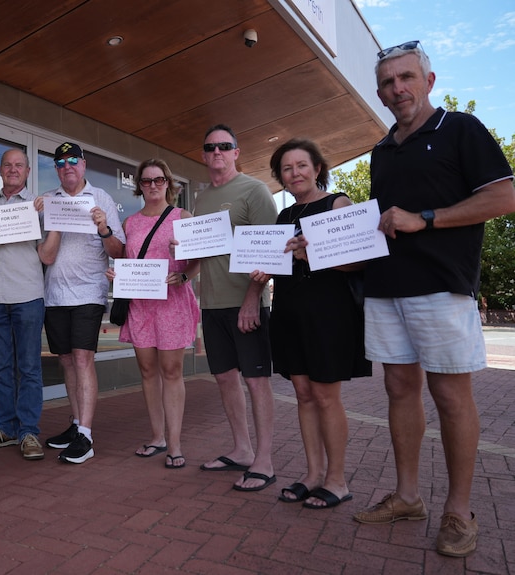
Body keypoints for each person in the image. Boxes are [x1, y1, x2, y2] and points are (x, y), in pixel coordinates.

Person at [351, 41, 515, 557]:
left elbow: (505, 195)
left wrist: (425, 219)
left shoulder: (459, 129)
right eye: (387, 82)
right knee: (399, 390)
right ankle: (407, 497)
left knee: (450, 397)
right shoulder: (381, 149)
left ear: (428, 79)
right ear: (379, 93)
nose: (397, 88)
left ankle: (459, 512)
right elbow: (381, 223)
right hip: (385, 288)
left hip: (441, 288)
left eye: (405, 77)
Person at [252, 139, 371, 508]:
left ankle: (337, 480)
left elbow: (359, 260)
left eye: (301, 165)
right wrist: (261, 267)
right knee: (302, 394)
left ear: (317, 168)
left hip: (328, 312)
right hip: (290, 310)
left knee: (324, 395)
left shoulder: (338, 204)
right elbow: (277, 263)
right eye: (287, 169)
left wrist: (310, 253)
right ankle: (312, 473)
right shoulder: (283, 217)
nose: (295, 174)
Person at [192, 124, 278, 491]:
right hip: (212, 305)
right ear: (203, 154)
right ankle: (242, 450)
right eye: (210, 147)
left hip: (246, 305)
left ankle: (265, 460)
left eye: (224, 146)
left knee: (256, 382)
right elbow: (202, 252)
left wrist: (251, 301)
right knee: (225, 379)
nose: (217, 152)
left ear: (236, 152)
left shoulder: (254, 191)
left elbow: (270, 250)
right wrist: (182, 263)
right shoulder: (201, 199)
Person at [106, 159, 199, 469]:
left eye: (158, 179)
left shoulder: (182, 216)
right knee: (147, 371)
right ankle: (157, 437)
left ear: (168, 182)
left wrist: (185, 274)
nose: (153, 185)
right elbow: (127, 260)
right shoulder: (130, 223)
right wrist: (119, 276)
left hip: (171, 303)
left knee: (171, 372)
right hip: (141, 306)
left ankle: (175, 444)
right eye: (146, 181)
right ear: (139, 186)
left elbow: (200, 258)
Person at [39, 142, 125, 464]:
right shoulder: (49, 201)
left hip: (89, 292)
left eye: (73, 160)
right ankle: (76, 425)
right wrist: (55, 224)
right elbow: (46, 257)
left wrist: (103, 228)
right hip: (55, 295)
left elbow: (118, 251)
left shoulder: (101, 198)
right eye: (61, 163)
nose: (67, 166)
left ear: (84, 164)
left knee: (82, 359)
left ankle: (86, 436)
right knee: (65, 360)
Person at [0, 149, 46, 461]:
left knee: (28, 366)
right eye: (8, 165)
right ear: (0, 170)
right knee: (1, 366)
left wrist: (49, 216)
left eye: (19, 165)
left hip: (28, 294)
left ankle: (29, 430)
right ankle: (4, 427)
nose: (13, 169)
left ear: (27, 171)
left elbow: (49, 252)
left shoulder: (39, 206)